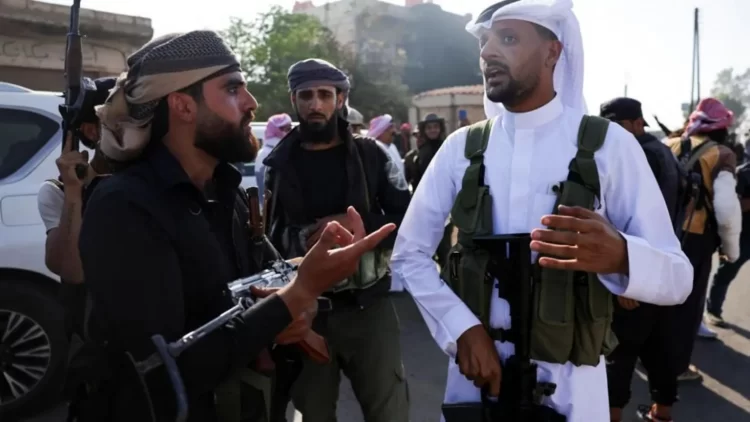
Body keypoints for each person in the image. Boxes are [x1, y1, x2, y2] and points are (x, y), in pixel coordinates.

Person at [390, 1, 693, 421]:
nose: (488, 52)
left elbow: (678, 276)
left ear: (553, 52)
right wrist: (462, 329)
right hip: (477, 382)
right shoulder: (461, 148)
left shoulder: (609, 145)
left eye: (508, 38)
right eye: (484, 42)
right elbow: (409, 255)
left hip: (572, 389)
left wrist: (622, 256)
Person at [75, 32, 395, 422]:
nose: (251, 102)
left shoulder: (230, 194)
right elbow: (166, 375)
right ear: (182, 105)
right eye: (232, 89)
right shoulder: (124, 207)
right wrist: (299, 293)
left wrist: (304, 285)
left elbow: (267, 283)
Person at [263, 58, 411, 422]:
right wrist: (304, 239)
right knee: (312, 414)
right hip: (308, 312)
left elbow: (408, 219)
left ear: (340, 99)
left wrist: (358, 226)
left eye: (324, 95)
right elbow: (267, 238)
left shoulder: (371, 155)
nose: (315, 104)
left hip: (368, 308)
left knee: (389, 413)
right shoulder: (278, 165)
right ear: (294, 100)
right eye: (306, 95)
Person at [600, 97, 683, 422]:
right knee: (660, 349)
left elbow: (636, 219)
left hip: (638, 272)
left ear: (636, 124)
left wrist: (629, 278)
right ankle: (661, 413)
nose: (610, 132)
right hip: (662, 268)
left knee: (620, 353)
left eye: (615, 125)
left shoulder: (637, 155)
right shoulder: (663, 151)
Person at [665, 97, 742, 381]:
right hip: (695, 239)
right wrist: (731, 249)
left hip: (660, 232)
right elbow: (726, 209)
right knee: (687, 307)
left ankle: (651, 361)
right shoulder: (722, 154)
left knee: (657, 299)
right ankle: (676, 369)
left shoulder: (668, 144)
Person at [38, 76, 116, 340]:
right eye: (119, 121)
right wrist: (74, 193)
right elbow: (71, 271)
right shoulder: (60, 192)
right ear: (92, 131)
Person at [705, 149, 750, 328]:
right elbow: (733, 205)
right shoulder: (742, 173)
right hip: (742, 236)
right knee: (725, 273)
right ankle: (713, 311)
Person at [256, 113, 292, 205]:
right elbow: (265, 186)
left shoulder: (284, 147)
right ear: (275, 130)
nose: (289, 132)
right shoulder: (265, 153)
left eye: (290, 128)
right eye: (286, 129)